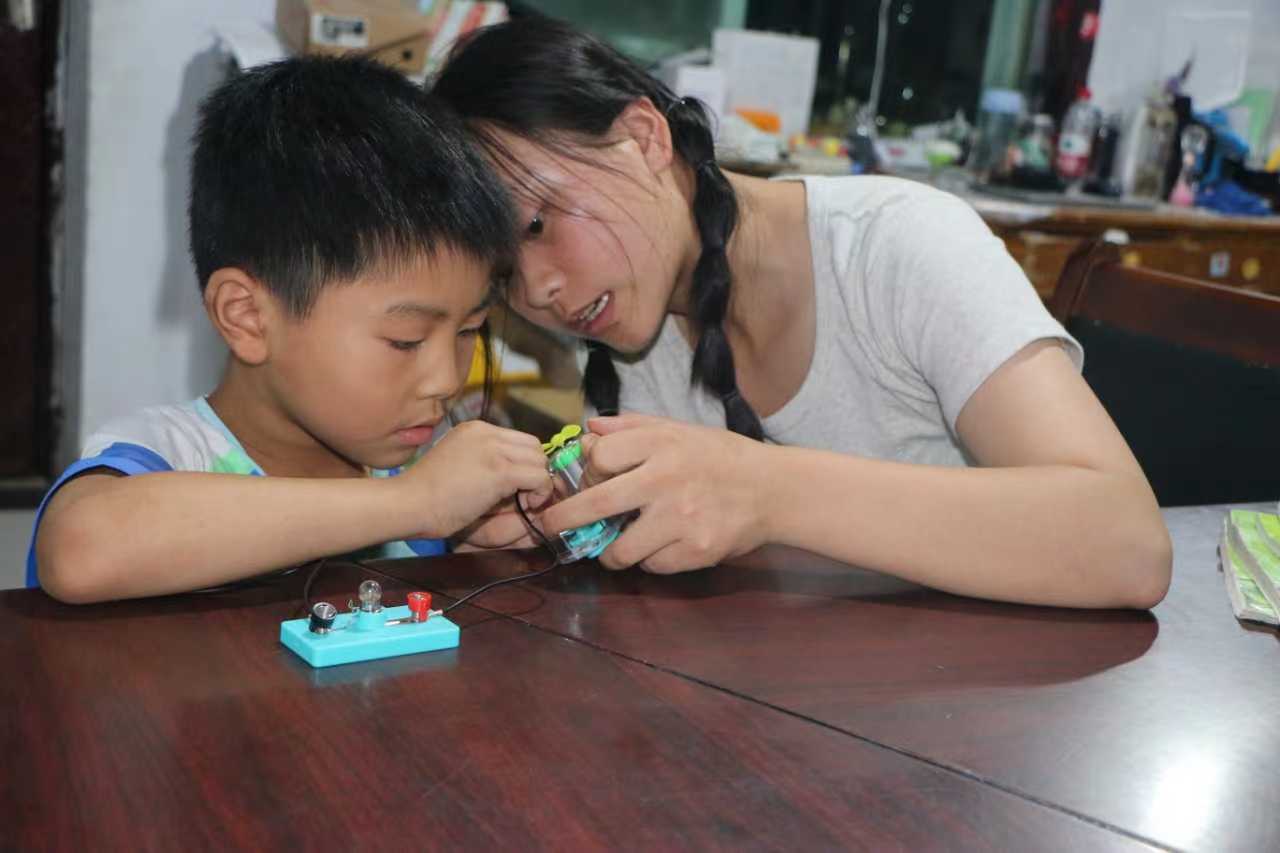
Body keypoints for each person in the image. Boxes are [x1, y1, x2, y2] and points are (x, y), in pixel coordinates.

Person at [433, 17, 1172, 609]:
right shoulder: (629, 337)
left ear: (643, 139)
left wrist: (766, 490)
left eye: (539, 223)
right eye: (506, 275)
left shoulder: (896, 246)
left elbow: (1128, 545)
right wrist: (564, 526)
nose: (539, 289)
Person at [28, 56, 551, 603]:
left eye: (469, 329)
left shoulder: (422, 467)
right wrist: (416, 504)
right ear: (248, 317)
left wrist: (478, 544)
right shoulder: (169, 453)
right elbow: (81, 551)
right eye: (406, 339)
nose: (446, 379)